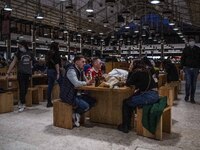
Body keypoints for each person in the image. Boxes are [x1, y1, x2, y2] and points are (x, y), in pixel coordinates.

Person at [117, 59, 159, 133]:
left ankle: (125, 126)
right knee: (130, 100)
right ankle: (129, 124)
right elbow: (140, 84)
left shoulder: (137, 72)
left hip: (148, 96)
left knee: (126, 103)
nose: (130, 65)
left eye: (131, 64)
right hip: (154, 94)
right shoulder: (146, 71)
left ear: (134, 65)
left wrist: (130, 71)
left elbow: (128, 83)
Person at [60, 55, 96, 127]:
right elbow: (76, 84)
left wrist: (89, 81)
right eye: (83, 62)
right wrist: (87, 83)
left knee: (93, 101)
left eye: (85, 62)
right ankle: (76, 114)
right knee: (86, 106)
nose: (85, 63)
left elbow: (86, 80)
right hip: (67, 95)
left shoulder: (81, 70)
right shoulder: (71, 70)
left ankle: (77, 114)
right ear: (76, 62)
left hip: (76, 94)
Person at [6, 40, 34, 112]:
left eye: (21, 46)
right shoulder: (17, 53)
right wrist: (8, 72)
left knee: (25, 89)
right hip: (21, 73)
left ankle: (21, 101)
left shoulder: (30, 53)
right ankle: (22, 104)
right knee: (22, 88)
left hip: (28, 73)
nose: (20, 48)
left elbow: (30, 64)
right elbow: (13, 62)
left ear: (25, 46)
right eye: (19, 46)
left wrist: (31, 73)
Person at [181, 38, 200, 103]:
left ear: (195, 42)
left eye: (193, 41)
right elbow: (182, 58)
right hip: (187, 68)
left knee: (193, 84)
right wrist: (182, 67)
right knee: (188, 83)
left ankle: (192, 98)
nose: (192, 42)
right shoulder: (186, 49)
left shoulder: (198, 49)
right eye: (190, 41)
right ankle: (187, 96)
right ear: (188, 42)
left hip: (195, 69)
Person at [45, 42, 61, 107]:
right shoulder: (56, 53)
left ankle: (49, 102)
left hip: (49, 70)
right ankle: (63, 99)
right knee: (62, 84)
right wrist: (58, 72)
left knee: (50, 86)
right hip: (54, 71)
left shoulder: (49, 53)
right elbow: (56, 64)